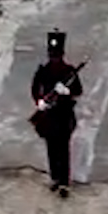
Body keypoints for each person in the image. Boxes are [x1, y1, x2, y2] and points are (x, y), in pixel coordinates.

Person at [30, 30, 85, 197]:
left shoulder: (69, 71)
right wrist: (39, 101)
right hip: (48, 115)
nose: (54, 58)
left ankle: (64, 182)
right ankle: (54, 177)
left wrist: (67, 91)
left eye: (57, 55)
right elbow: (35, 88)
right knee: (51, 148)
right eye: (52, 55)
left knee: (63, 149)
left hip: (64, 114)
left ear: (62, 55)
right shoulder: (43, 71)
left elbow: (78, 90)